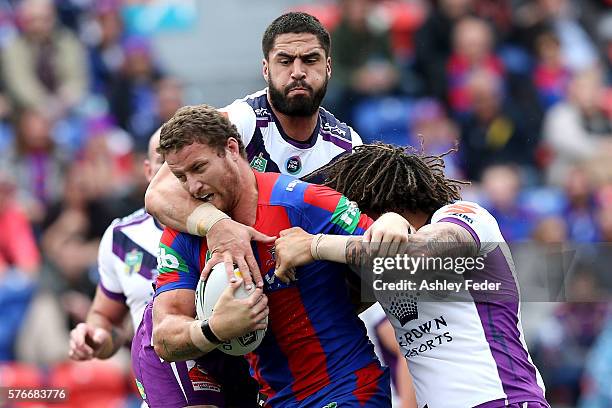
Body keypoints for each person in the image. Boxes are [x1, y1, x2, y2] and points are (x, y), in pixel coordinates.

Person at [142, 104, 391, 407]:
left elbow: (404, 264)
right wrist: (214, 328)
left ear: (231, 149)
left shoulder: (303, 202)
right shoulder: (183, 237)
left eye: (199, 168)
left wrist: (320, 245)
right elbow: (164, 337)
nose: (193, 187)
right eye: (181, 177)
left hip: (347, 389)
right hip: (275, 400)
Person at [273, 143, 550, 408]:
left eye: (359, 213)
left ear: (377, 204)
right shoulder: (380, 268)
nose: (356, 226)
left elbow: (418, 251)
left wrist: (315, 245)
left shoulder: (466, 215)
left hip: (504, 399)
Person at [144, 12, 363, 289]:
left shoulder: (348, 146)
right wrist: (216, 225)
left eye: (310, 59)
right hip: (230, 286)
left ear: (328, 67)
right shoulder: (242, 119)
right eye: (284, 61)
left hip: (306, 299)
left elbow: (363, 243)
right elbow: (158, 194)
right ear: (265, 69)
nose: (297, 71)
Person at [68, 129, 165, 363]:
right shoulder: (123, 237)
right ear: (148, 170)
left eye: (182, 159)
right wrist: (97, 336)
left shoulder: (226, 230)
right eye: (163, 161)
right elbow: (107, 321)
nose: (174, 170)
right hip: (157, 393)